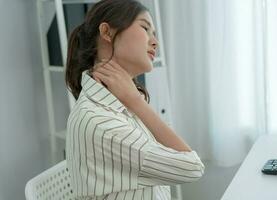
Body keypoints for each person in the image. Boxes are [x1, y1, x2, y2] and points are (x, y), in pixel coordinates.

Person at [65, 0, 205, 199]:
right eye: (145, 28)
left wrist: (133, 100)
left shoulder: (119, 100)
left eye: (154, 33)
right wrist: (136, 102)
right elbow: (192, 168)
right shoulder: (102, 123)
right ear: (107, 32)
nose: (155, 41)